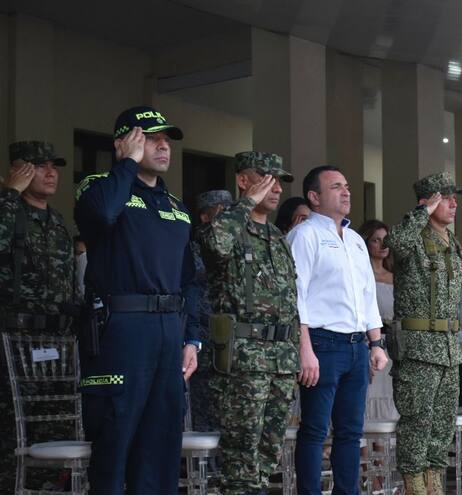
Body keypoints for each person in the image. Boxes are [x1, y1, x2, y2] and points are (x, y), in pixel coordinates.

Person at [74, 106, 201, 493]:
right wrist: (126, 164)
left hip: (168, 332)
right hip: (121, 331)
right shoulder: (99, 187)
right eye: (152, 137)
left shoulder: (177, 207)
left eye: (167, 140)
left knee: (162, 445)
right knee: (115, 440)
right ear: (124, 142)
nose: (163, 146)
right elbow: (104, 215)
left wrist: (191, 338)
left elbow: (190, 280)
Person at [199, 153, 299, 494]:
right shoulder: (227, 225)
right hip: (244, 361)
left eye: (280, 180)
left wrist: (297, 352)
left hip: (280, 360)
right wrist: (245, 205)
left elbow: (290, 301)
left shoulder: (277, 237)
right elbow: (214, 246)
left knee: (268, 451)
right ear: (243, 180)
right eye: (265, 177)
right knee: (240, 454)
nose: (275, 187)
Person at [288, 165, 388, 495]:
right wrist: (305, 349)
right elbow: (296, 297)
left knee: (350, 432)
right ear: (314, 197)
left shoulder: (357, 240)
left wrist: (376, 343)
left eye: (346, 186)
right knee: (315, 430)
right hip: (322, 344)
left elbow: (367, 295)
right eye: (335, 187)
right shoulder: (304, 235)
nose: (346, 192)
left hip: (357, 347)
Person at [0, 141, 76, 492]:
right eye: (38, 166)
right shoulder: (7, 211)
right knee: (13, 434)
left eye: (54, 166)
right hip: (15, 341)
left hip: (57, 343)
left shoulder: (57, 222)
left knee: (56, 431)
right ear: (18, 170)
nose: (50, 173)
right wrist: (9, 193)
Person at [384, 171, 462, 495]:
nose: (453, 202)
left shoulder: (453, 242)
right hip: (419, 347)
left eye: (453, 197)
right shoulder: (413, 237)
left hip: (447, 347)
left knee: (443, 425)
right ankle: (415, 489)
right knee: (417, 422)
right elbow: (396, 245)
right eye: (445, 197)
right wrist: (421, 213)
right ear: (427, 202)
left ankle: (435, 487)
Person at [188, 189, 233, 432]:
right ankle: (203, 466)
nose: (228, 216)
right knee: (204, 403)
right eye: (222, 210)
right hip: (202, 334)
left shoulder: (234, 248)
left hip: (228, 337)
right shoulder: (194, 248)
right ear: (205, 216)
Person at [358, 219, 397, 420]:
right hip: (370, 341)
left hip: (392, 343)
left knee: (388, 396)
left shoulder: (396, 276)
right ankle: (365, 450)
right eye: (376, 240)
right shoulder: (361, 275)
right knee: (368, 395)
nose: (382, 245)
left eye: (385, 239)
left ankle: (385, 449)